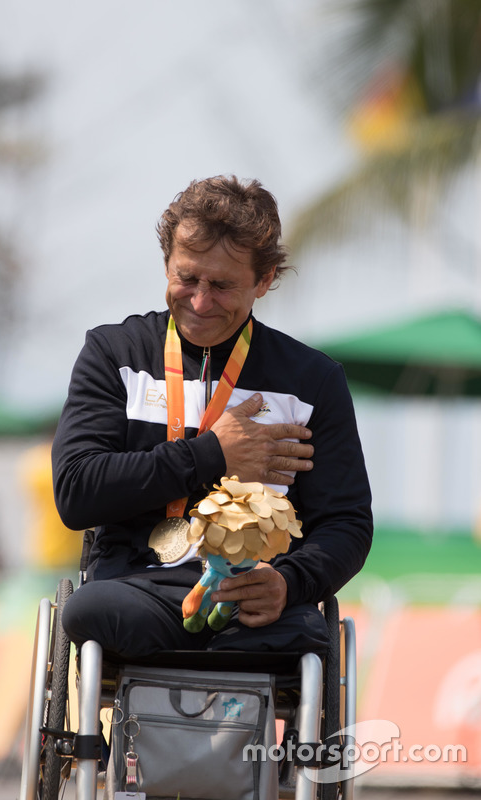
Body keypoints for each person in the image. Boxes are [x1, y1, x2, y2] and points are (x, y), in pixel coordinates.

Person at [52, 175, 373, 661]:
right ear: (166, 264)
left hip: (251, 601)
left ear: (264, 281)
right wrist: (211, 454)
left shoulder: (313, 381)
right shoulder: (113, 353)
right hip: (138, 589)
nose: (200, 302)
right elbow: (76, 492)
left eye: (222, 285)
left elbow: (347, 522)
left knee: (306, 639)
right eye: (187, 278)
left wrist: (289, 583)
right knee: (91, 611)